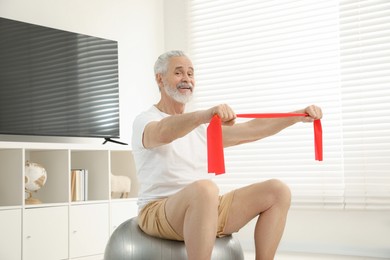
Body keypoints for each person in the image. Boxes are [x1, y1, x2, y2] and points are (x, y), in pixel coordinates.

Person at [131, 50, 323, 260]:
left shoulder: (201, 128)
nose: (186, 79)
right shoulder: (146, 120)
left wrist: (296, 116)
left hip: (206, 206)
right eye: (178, 73)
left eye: (190, 73)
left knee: (278, 191)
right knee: (205, 189)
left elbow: (251, 129)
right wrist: (203, 115)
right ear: (160, 78)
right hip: (160, 211)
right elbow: (163, 132)